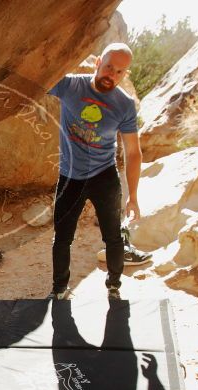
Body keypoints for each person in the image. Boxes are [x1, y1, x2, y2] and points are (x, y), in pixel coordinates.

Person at [47, 43, 144, 300]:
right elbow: (40, 77)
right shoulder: (70, 86)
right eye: (109, 66)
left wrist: (133, 196)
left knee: (113, 237)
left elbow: (133, 152)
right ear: (97, 62)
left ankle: (114, 286)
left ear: (125, 75)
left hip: (104, 177)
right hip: (70, 177)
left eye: (120, 72)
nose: (111, 74)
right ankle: (59, 289)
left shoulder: (124, 104)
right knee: (62, 237)